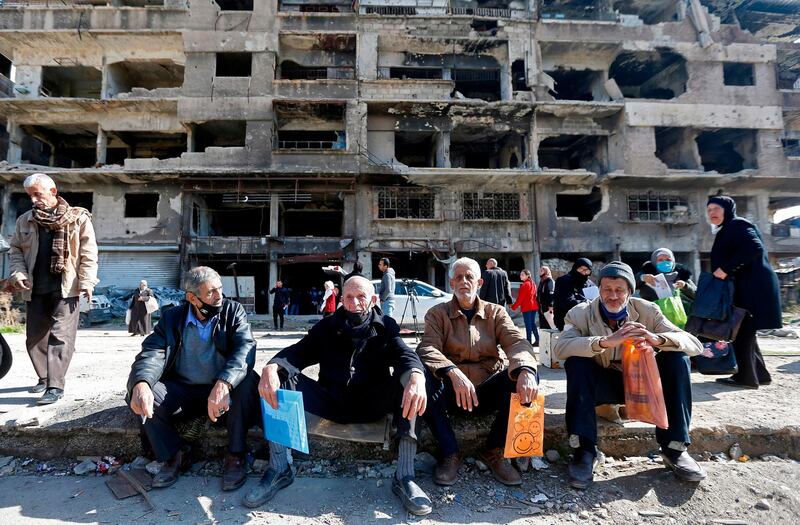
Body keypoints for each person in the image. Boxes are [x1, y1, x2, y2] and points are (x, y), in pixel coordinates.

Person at [246, 277, 452, 516]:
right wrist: (272, 367)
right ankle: (280, 468)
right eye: (349, 297)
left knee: (412, 380)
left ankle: (404, 476)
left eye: (361, 297)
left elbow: (405, 354)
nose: (354, 303)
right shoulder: (327, 327)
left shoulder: (386, 326)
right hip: (331, 401)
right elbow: (298, 353)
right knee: (279, 378)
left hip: (371, 402)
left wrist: (416, 375)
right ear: (341, 299)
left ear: (373, 299)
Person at [553, 262, 705, 489]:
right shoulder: (580, 313)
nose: (612, 296)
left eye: (619, 290)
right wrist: (604, 342)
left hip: (643, 385)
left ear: (630, 292)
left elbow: (695, 345)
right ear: (599, 289)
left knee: (678, 360)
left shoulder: (647, 310)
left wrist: (658, 340)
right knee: (577, 363)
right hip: (603, 385)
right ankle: (584, 450)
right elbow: (561, 348)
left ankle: (674, 448)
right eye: (606, 289)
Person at [127, 266, 259, 491]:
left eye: (220, 289)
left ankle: (236, 455)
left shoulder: (233, 311)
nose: (219, 297)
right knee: (142, 394)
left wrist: (224, 382)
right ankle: (175, 455)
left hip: (222, 391)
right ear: (192, 298)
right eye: (210, 293)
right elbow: (152, 353)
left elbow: (244, 349)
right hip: (184, 389)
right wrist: (141, 383)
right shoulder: (172, 318)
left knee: (247, 382)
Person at [416, 257, 539, 487]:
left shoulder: (496, 313)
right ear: (451, 283)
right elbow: (427, 348)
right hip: (452, 393)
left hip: (486, 391)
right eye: (459, 277)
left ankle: (493, 450)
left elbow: (517, 343)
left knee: (527, 373)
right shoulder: (437, 313)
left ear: (479, 282)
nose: (464, 281)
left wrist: (526, 370)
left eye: (469, 277)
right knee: (423, 378)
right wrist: (452, 371)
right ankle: (449, 452)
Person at [7, 173, 98, 405]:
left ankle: (55, 385)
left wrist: (87, 282)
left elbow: (89, 255)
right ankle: (45, 376)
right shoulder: (25, 220)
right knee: (34, 338)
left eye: (38, 194)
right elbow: (15, 251)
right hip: (35, 287)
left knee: (61, 336)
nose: (34, 200)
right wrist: (18, 274)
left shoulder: (78, 218)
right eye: (30, 196)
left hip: (66, 288)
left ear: (53, 192)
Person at [707, 196, 782, 389]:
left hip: (753, 287)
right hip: (748, 285)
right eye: (709, 210)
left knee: (742, 331)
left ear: (727, 209)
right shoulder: (728, 228)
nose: (712, 213)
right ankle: (760, 374)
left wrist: (726, 268)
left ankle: (746, 378)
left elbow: (754, 247)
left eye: (716, 208)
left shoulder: (738, 224)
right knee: (746, 330)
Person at [637, 248, 696, 314]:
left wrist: (685, 286)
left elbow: (697, 295)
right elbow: (630, 285)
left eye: (668, 260)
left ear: (673, 261)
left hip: (680, 318)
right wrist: (642, 278)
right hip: (653, 317)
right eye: (660, 260)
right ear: (654, 261)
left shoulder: (682, 276)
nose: (665, 262)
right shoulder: (648, 275)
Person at [553, 258, 593, 330]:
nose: (584, 273)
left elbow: (596, 301)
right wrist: (588, 303)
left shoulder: (590, 284)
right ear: (575, 268)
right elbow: (568, 302)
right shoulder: (564, 281)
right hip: (567, 322)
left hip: (587, 323)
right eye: (581, 269)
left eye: (587, 270)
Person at [510, 269, 540, 346]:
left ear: (527, 275)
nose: (520, 276)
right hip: (533, 306)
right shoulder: (532, 283)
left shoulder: (525, 284)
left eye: (522, 275)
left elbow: (520, 298)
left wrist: (514, 307)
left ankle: (529, 341)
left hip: (527, 307)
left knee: (528, 325)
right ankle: (537, 340)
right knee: (532, 324)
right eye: (520, 274)